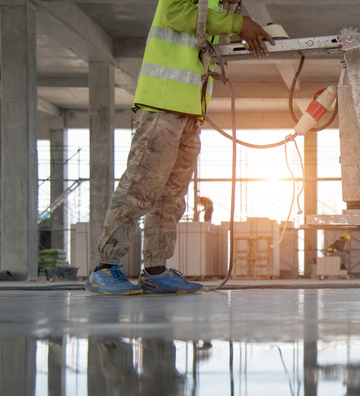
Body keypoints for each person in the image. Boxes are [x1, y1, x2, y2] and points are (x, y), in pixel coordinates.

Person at [85, 0, 275, 295]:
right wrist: (239, 24)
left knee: (171, 196)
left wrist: (233, 18)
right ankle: (105, 268)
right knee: (140, 187)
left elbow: (208, 40)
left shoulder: (215, 7)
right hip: (162, 104)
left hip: (190, 112)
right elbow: (176, 15)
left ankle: (156, 270)